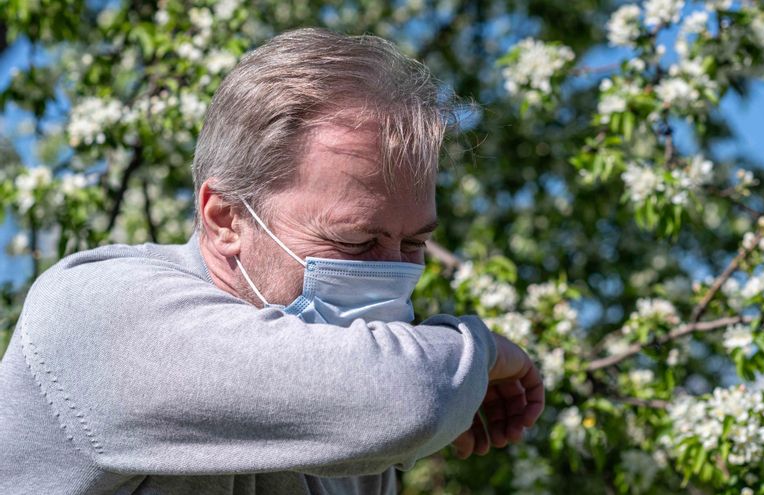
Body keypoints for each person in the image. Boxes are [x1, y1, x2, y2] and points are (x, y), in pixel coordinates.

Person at [0, 28, 544, 494]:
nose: (392, 272)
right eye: (355, 243)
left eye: (413, 246)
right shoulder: (96, 309)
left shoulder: (352, 455)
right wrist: (478, 354)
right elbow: (410, 399)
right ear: (225, 218)